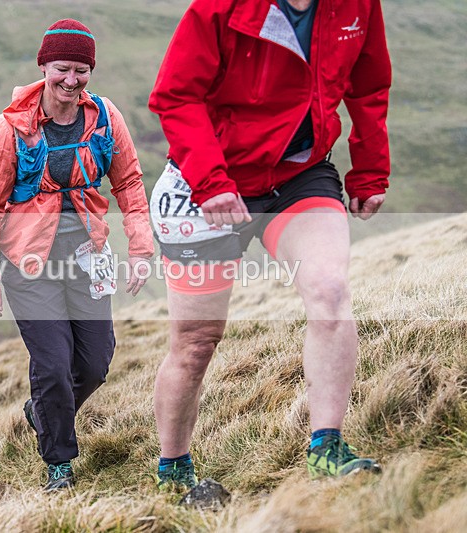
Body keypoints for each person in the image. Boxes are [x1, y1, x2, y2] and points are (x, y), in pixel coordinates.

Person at [148, 0, 391, 489]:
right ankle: (173, 471)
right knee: (196, 341)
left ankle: (327, 448)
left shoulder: (358, 5)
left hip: (300, 175)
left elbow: (369, 87)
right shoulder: (218, 9)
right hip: (209, 185)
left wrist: (370, 168)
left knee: (329, 290)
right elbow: (175, 96)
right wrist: (211, 180)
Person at [0, 19, 154, 491]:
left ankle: (42, 412)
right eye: (62, 69)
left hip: (88, 253)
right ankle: (59, 464)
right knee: (52, 364)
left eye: (81, 70)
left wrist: (140, 246)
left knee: (95, 362)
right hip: (28, 263)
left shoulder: (105, 117)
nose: (71, 80)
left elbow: (129, 182)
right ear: (44, 66)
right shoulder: (8, 128)